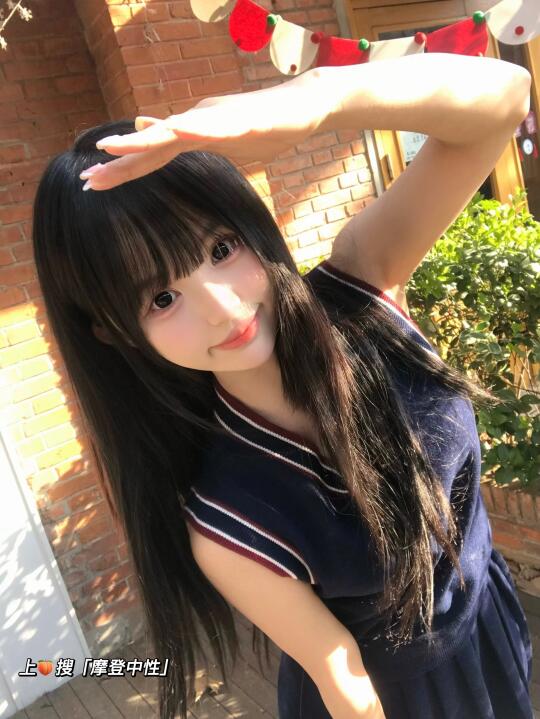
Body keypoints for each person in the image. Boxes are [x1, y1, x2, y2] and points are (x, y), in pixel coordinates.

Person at [31, 52, 534, 718]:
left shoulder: (362, 290)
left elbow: (505, 96)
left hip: (491, 624)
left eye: (219, 249)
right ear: (115, 332)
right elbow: (343, 678)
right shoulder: (227, 515)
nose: (223, 307)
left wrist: (319, 97)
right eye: (161, 298)